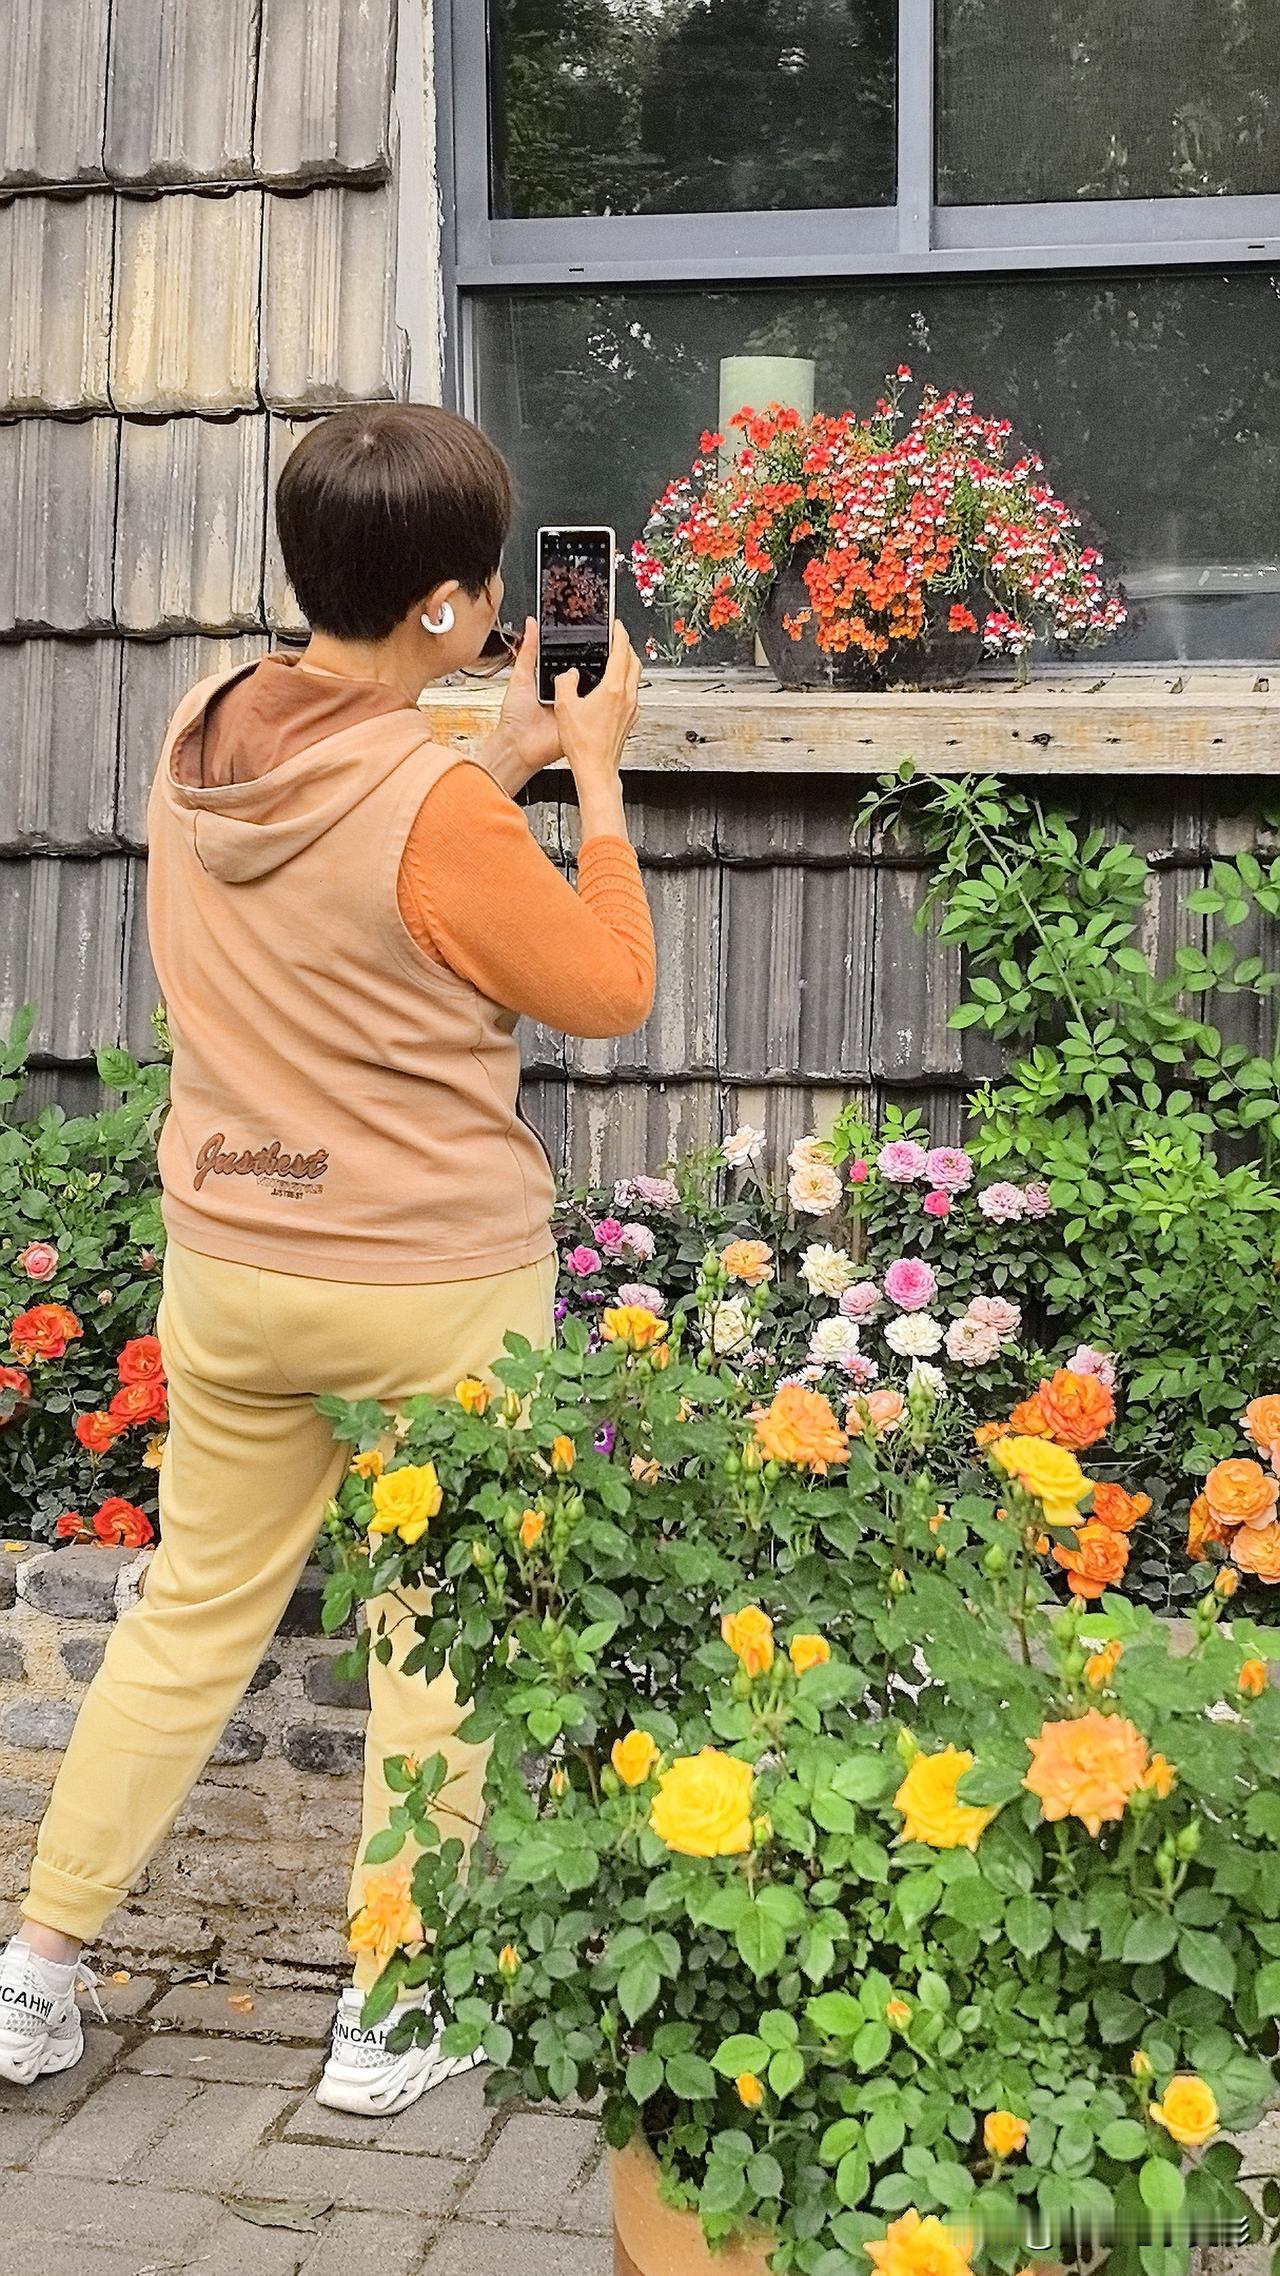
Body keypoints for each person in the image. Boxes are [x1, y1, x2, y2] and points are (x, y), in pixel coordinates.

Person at [0, 403, 654, 2113]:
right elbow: (601, 991)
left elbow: (352, 873)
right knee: (437, 1640)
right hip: (426, 1279)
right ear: (444, 607)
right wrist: (582, 777)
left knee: (187, 1618)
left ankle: (35, 1973)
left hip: (231, 1249)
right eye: (488, 587)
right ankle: (393, 2008)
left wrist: (486, 764)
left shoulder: (204, 735)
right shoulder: (435, 806)